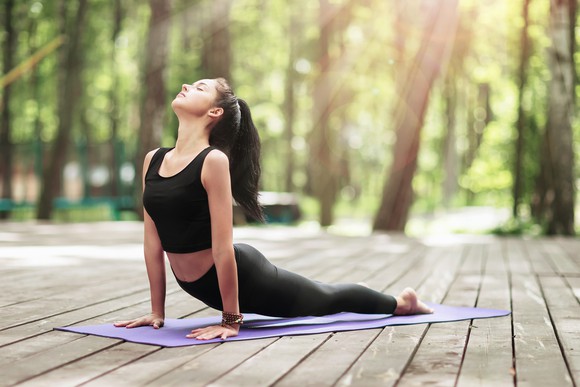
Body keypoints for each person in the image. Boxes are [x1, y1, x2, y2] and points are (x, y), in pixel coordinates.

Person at [114, 78, 433, 341]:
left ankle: (403, 303)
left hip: (246, 275)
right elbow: (152, 245)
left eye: (199, 87)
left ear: (214, 112)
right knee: (324, 297)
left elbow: (223, 250)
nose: (186, 85)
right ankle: (394, 300)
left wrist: (231, 320)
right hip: (196, 284)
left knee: (326, 299)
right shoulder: (153, 160)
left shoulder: (212, 161)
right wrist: (158, 312)